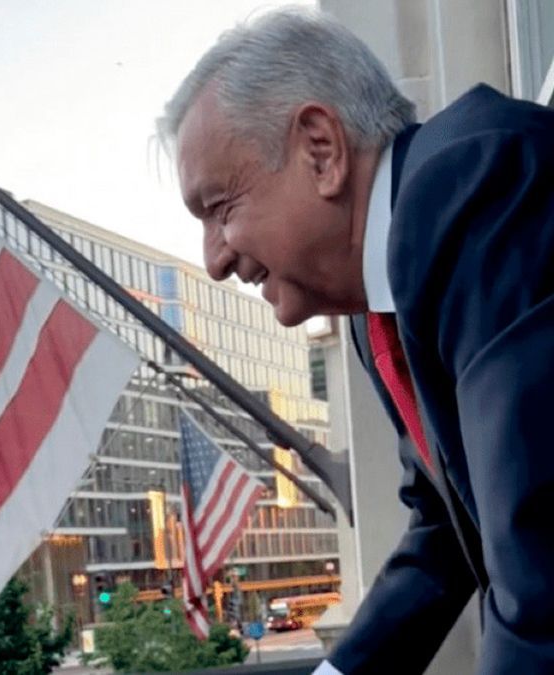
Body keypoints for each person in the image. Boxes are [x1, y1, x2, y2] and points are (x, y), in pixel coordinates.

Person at [161, 8, 554, 674]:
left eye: (220, 208)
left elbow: (542, 575)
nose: (214, 261)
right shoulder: (380, 299)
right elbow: (443, 528)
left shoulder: (472, 191)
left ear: (321, 149)